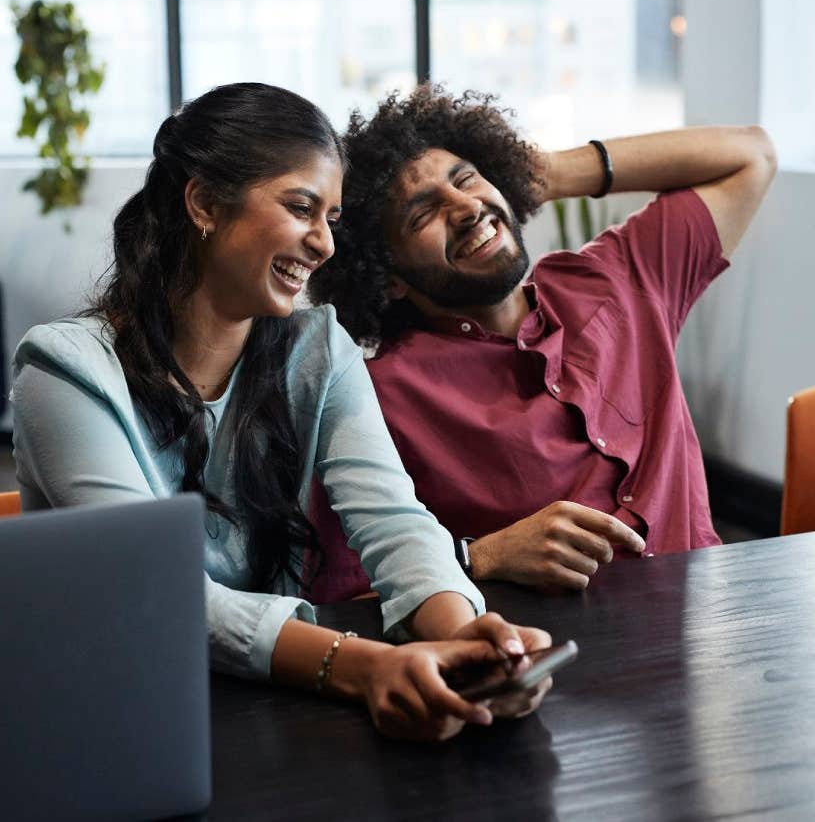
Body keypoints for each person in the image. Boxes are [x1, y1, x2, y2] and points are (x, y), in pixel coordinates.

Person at [10, 82, 550, 743]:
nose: (323, 244)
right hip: (113, 719)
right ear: (205, 202)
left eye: (331, 218)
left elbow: (395, 523)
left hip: (274, 707)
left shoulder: (319, 348)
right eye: (301, 208)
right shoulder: (62, 372)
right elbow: (158, 591)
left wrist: (468, 638)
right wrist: (366, 666)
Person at [308, 83, 777, 597]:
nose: (467, 208)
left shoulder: (621, 278)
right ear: (388, 274)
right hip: (547, 659)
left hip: (710, 632)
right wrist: (480, 558)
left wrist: (547, 175)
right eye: (423, 214)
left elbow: (751, 154)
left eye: (468, 179)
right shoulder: (375, 399)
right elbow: (340, 599)